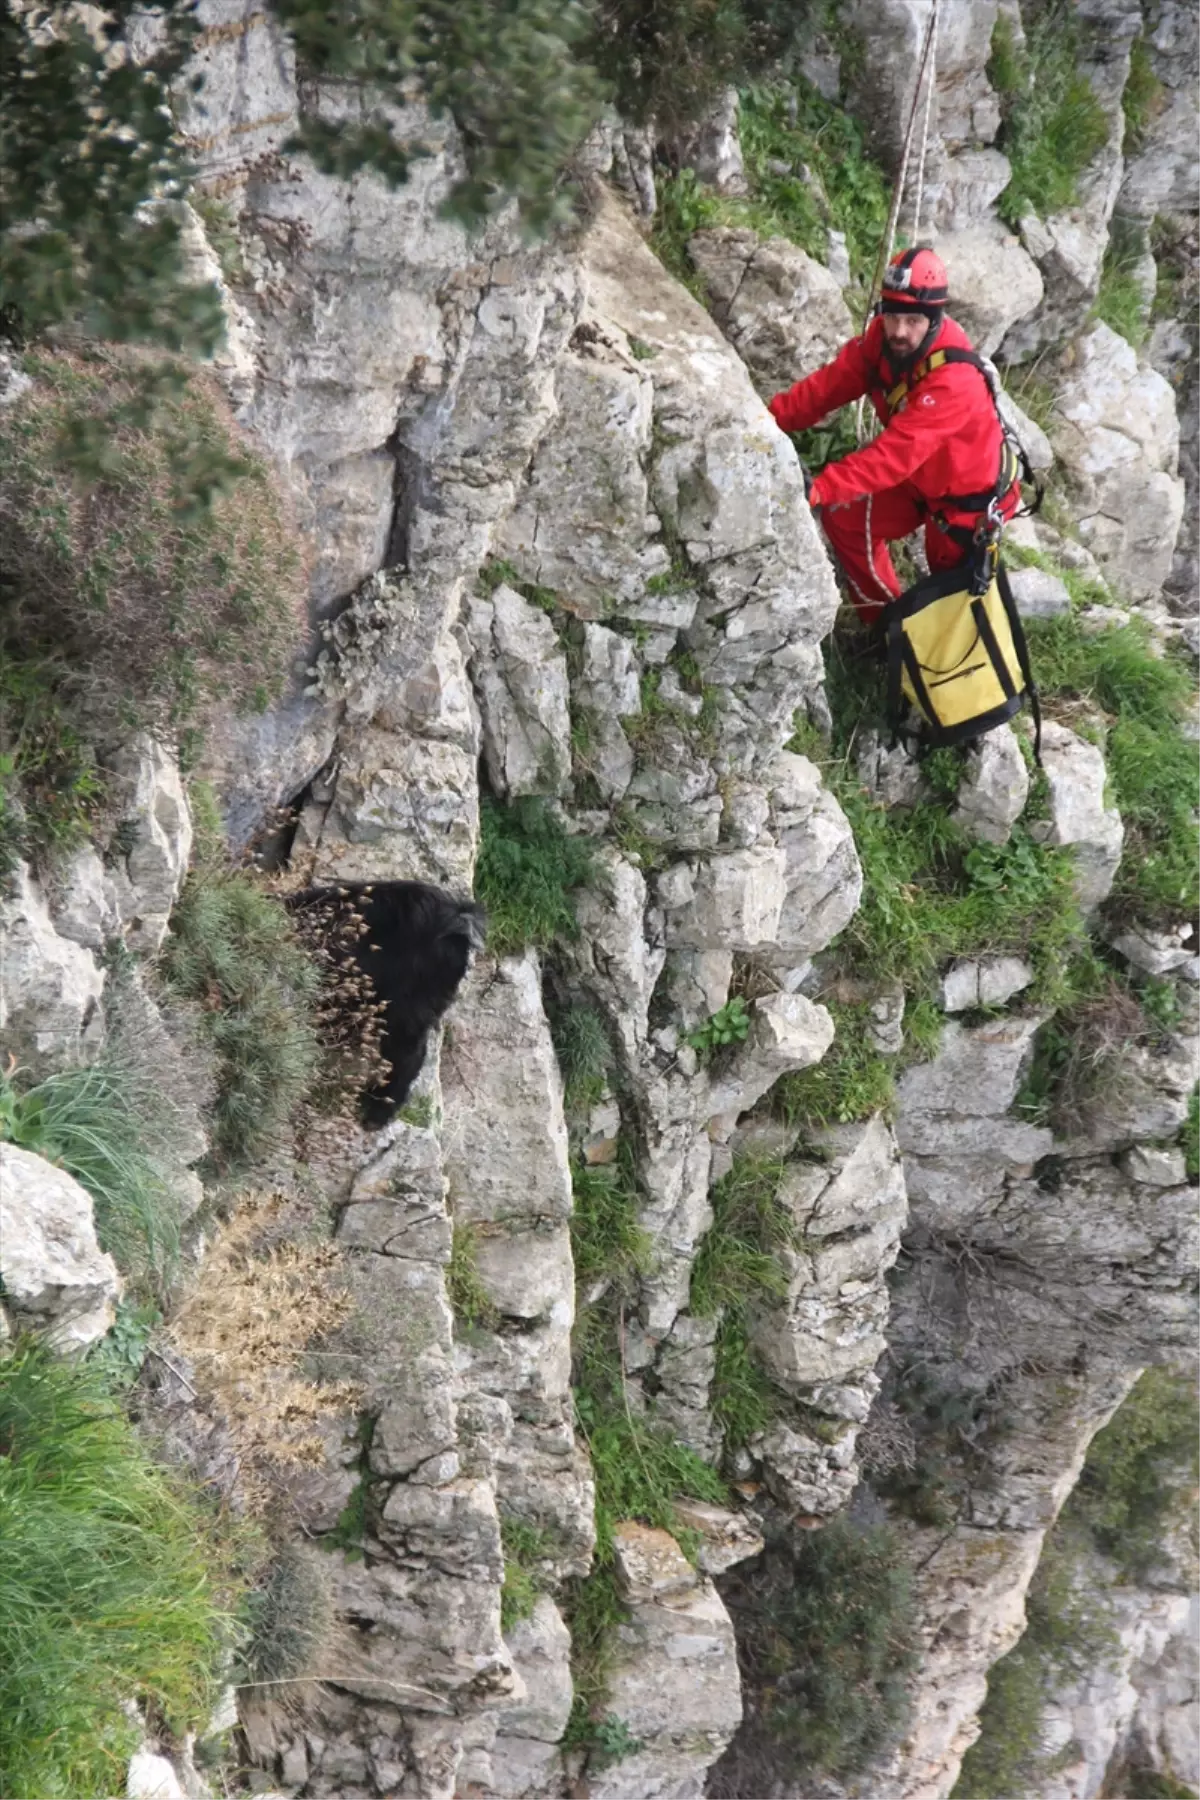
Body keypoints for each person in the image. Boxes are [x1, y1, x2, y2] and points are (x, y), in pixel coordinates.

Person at [768, 246, 1021, 622]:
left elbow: (894, 455)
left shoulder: (955, 381)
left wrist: (822, 488)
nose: (899, 331)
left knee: (953, 603)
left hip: (966, 505)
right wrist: (767, 421)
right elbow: (828, 387)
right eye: (892, 317)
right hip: (920, 479)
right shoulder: (882, 343)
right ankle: (888, 628)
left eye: (913, 321)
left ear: (934, 318)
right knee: (847, 519)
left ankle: (929, 664)